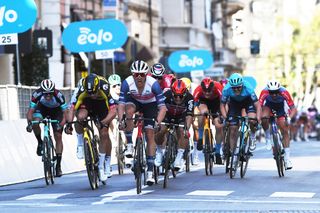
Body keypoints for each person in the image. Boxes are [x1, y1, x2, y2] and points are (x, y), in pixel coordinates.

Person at [118, 60, 167, 185]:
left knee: (150, 135)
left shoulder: (154, 84)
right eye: (136, 74)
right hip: (134, 101)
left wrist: (157, 121)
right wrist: (120, 120)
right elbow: (121, 104)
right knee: (128, 111)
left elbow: (162, 108)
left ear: (146, 75)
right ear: (132, 75)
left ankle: (150, 172)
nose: (139, 77)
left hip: (150, 104)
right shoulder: (127, 83)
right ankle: (129, 145)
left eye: (142, 74)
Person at [65, 73, 117, 182]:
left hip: (102, 104)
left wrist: (104, 122)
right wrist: (69, 124)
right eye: (90, 93)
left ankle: (104, 165)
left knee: (104, 133)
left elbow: (113, 111)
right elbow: (71, 108)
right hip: (86, 102)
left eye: (94, 92)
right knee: (79, 117)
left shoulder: (104, 86)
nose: (93, 95)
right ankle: (80, 143)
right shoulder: (81, 88)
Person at [26, 79, 68, 177]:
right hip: (42, 109)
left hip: (57, 111)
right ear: (42, 92)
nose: (48, 96)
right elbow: (30, 112)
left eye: (50, 94)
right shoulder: (37, 94)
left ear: (53, 91)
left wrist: (61, 124)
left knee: (58, 135)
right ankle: (40, 142)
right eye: (46, 94)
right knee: (36, 121)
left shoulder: (59, 95)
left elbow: (65, 113)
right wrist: (30, 123)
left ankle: (58, 165)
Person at [154, 80, 194, 171]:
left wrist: (186, 129)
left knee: (182, 131)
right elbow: (159, 109)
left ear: (185, 93)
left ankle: (179, 156)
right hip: (167, 115)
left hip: (181, 116)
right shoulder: (166, 95)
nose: (178, 99)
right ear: (172, 93)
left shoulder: (189, 98)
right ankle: (159, 151)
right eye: (175, 96)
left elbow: (189, 115)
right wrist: (157, 123)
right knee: (161, 130)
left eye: (180, 96)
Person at [220, 73, 261, 157]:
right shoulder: (226, 89)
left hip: (248, 101)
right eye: (234, 88)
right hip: (234, 104)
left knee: (252, 120)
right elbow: (222, 105)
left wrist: (258, 118)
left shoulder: (248, 88)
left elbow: (258, 105)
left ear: (242, 85)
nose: (236, 90)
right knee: (233, 128)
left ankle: (253, 137)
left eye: (238, 87)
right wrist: (225, 117)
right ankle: (233, 153)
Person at [259, 79, 297, 170]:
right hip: (268, 107)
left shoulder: (284, 92)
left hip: (280, 109)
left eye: (276, 92)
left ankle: (287, 159)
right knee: (264, 118)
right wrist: (258, 117)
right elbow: (258, 106)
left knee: (284, 129)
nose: (274, 95)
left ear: (279, 90)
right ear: (268, 91)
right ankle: (268, 137)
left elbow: (293, 108)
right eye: (271, 93)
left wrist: (289, 117)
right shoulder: (264, 92)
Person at [193, 77, 224, 164]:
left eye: (209, 91)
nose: (207, 93)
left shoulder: (218, 87)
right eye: (205, 91)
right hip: (204, 103)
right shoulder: (198, 90)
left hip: (216, 104)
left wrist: (222, 115)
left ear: (213, 88)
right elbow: (193, 106)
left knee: (218, 125)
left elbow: (223, 103)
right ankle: (200, 138)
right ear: (202, 88)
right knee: (202, 113)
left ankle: (217, 152)